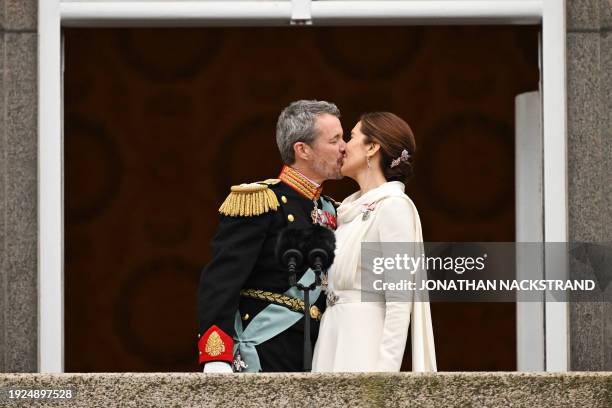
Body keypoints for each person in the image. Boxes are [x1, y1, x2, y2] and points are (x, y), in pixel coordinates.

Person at [197, 100, 346, 373]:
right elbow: (221, 279)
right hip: (266, 350)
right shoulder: (261, 201)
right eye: (334, 139)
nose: (344, 147)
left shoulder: (335, 210)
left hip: (320, 354)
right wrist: (216, 354)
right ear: (303, 150)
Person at [312, 112, 437, 372]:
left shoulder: (393, 207)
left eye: (352, 136)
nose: (344, 145)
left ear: (372, 147)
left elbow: (399, 300)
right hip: (332, 337)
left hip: (363, 344)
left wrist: (384, 375)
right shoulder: (348, 211)